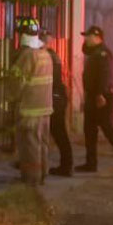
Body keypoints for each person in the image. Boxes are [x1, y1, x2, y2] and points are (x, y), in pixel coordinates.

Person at [75, 25, 113, 177]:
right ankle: (91, 163)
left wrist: (100, 95)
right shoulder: (94, 51)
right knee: (89, 130)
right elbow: (85, 50)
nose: (86, 39)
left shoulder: (103, 53)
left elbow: (105, 75)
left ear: (97, 37)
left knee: (108, 129)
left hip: (101, 97)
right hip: (92, 96)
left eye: (88, 37)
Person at [8, 17, 53, 185]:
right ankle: (43, 173)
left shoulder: (27, 55)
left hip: (29, 109)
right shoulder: (45, 53)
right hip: (45, 109)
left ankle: (31, 179)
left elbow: (17, 82)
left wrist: (11, 97)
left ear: (21, 34)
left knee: (29, 145)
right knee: (42, 143)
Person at [41, 30, 73, 177]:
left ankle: (66, 167)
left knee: (58, 132)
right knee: (57, 132)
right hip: (57, 95)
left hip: (55, 97)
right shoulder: (51, 54)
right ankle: (66, 165)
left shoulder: (48, 56)